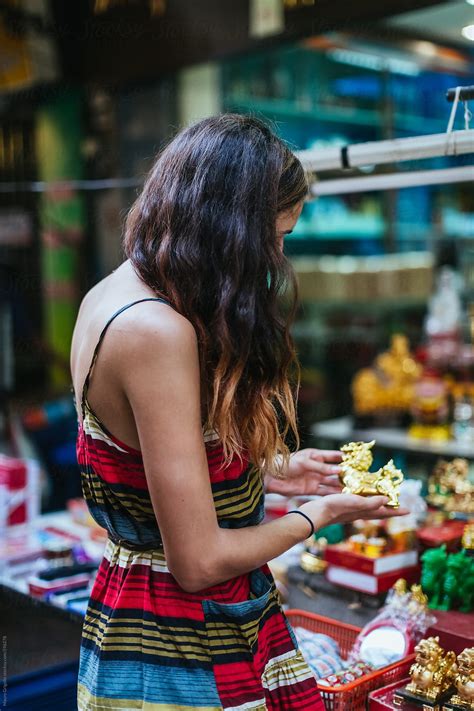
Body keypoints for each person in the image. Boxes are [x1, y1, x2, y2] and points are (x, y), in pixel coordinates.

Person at [71, 114, 406, 710]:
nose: (276, 258)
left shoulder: (114, 291)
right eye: (274, 239)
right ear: (229, 232)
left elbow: (149, 467)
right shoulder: (156, 331)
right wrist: (316, 514)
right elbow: (197, 562)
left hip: (142, 621)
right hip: (178, 649)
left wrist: (271, 469)